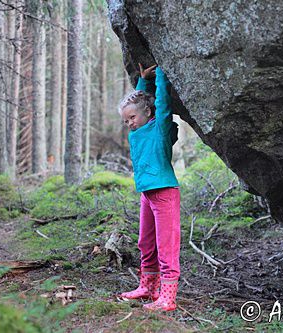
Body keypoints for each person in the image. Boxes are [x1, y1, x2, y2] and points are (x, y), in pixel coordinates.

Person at [117, 63, 181, 312]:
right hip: (147, 195)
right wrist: (143, 81)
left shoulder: (160, 129)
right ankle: (148, 287)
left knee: (167, 245)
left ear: (147, 113)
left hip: (165, 192)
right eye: (126, 121)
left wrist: (163, 74)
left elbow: (162, 105)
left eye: (132, 118)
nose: (130, 123)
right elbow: (139, 99)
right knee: (145, 242)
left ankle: (168, 297)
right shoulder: (136, 133)